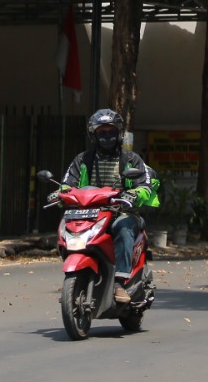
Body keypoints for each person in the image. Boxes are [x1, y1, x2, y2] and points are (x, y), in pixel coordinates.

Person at [61, 108, 158, 303]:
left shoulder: (131, 159)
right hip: (89, 212)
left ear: (119, 133)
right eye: (102, 132)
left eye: (111, 132)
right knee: (66, 226)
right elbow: (67, 183)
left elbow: (146, 185)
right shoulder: (82, 160)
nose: (107, 137)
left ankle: (120, 282)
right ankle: (78, 275)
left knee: (122, 229)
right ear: (93, 135)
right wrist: (59, 193)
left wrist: (133, 194)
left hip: (121, 211)